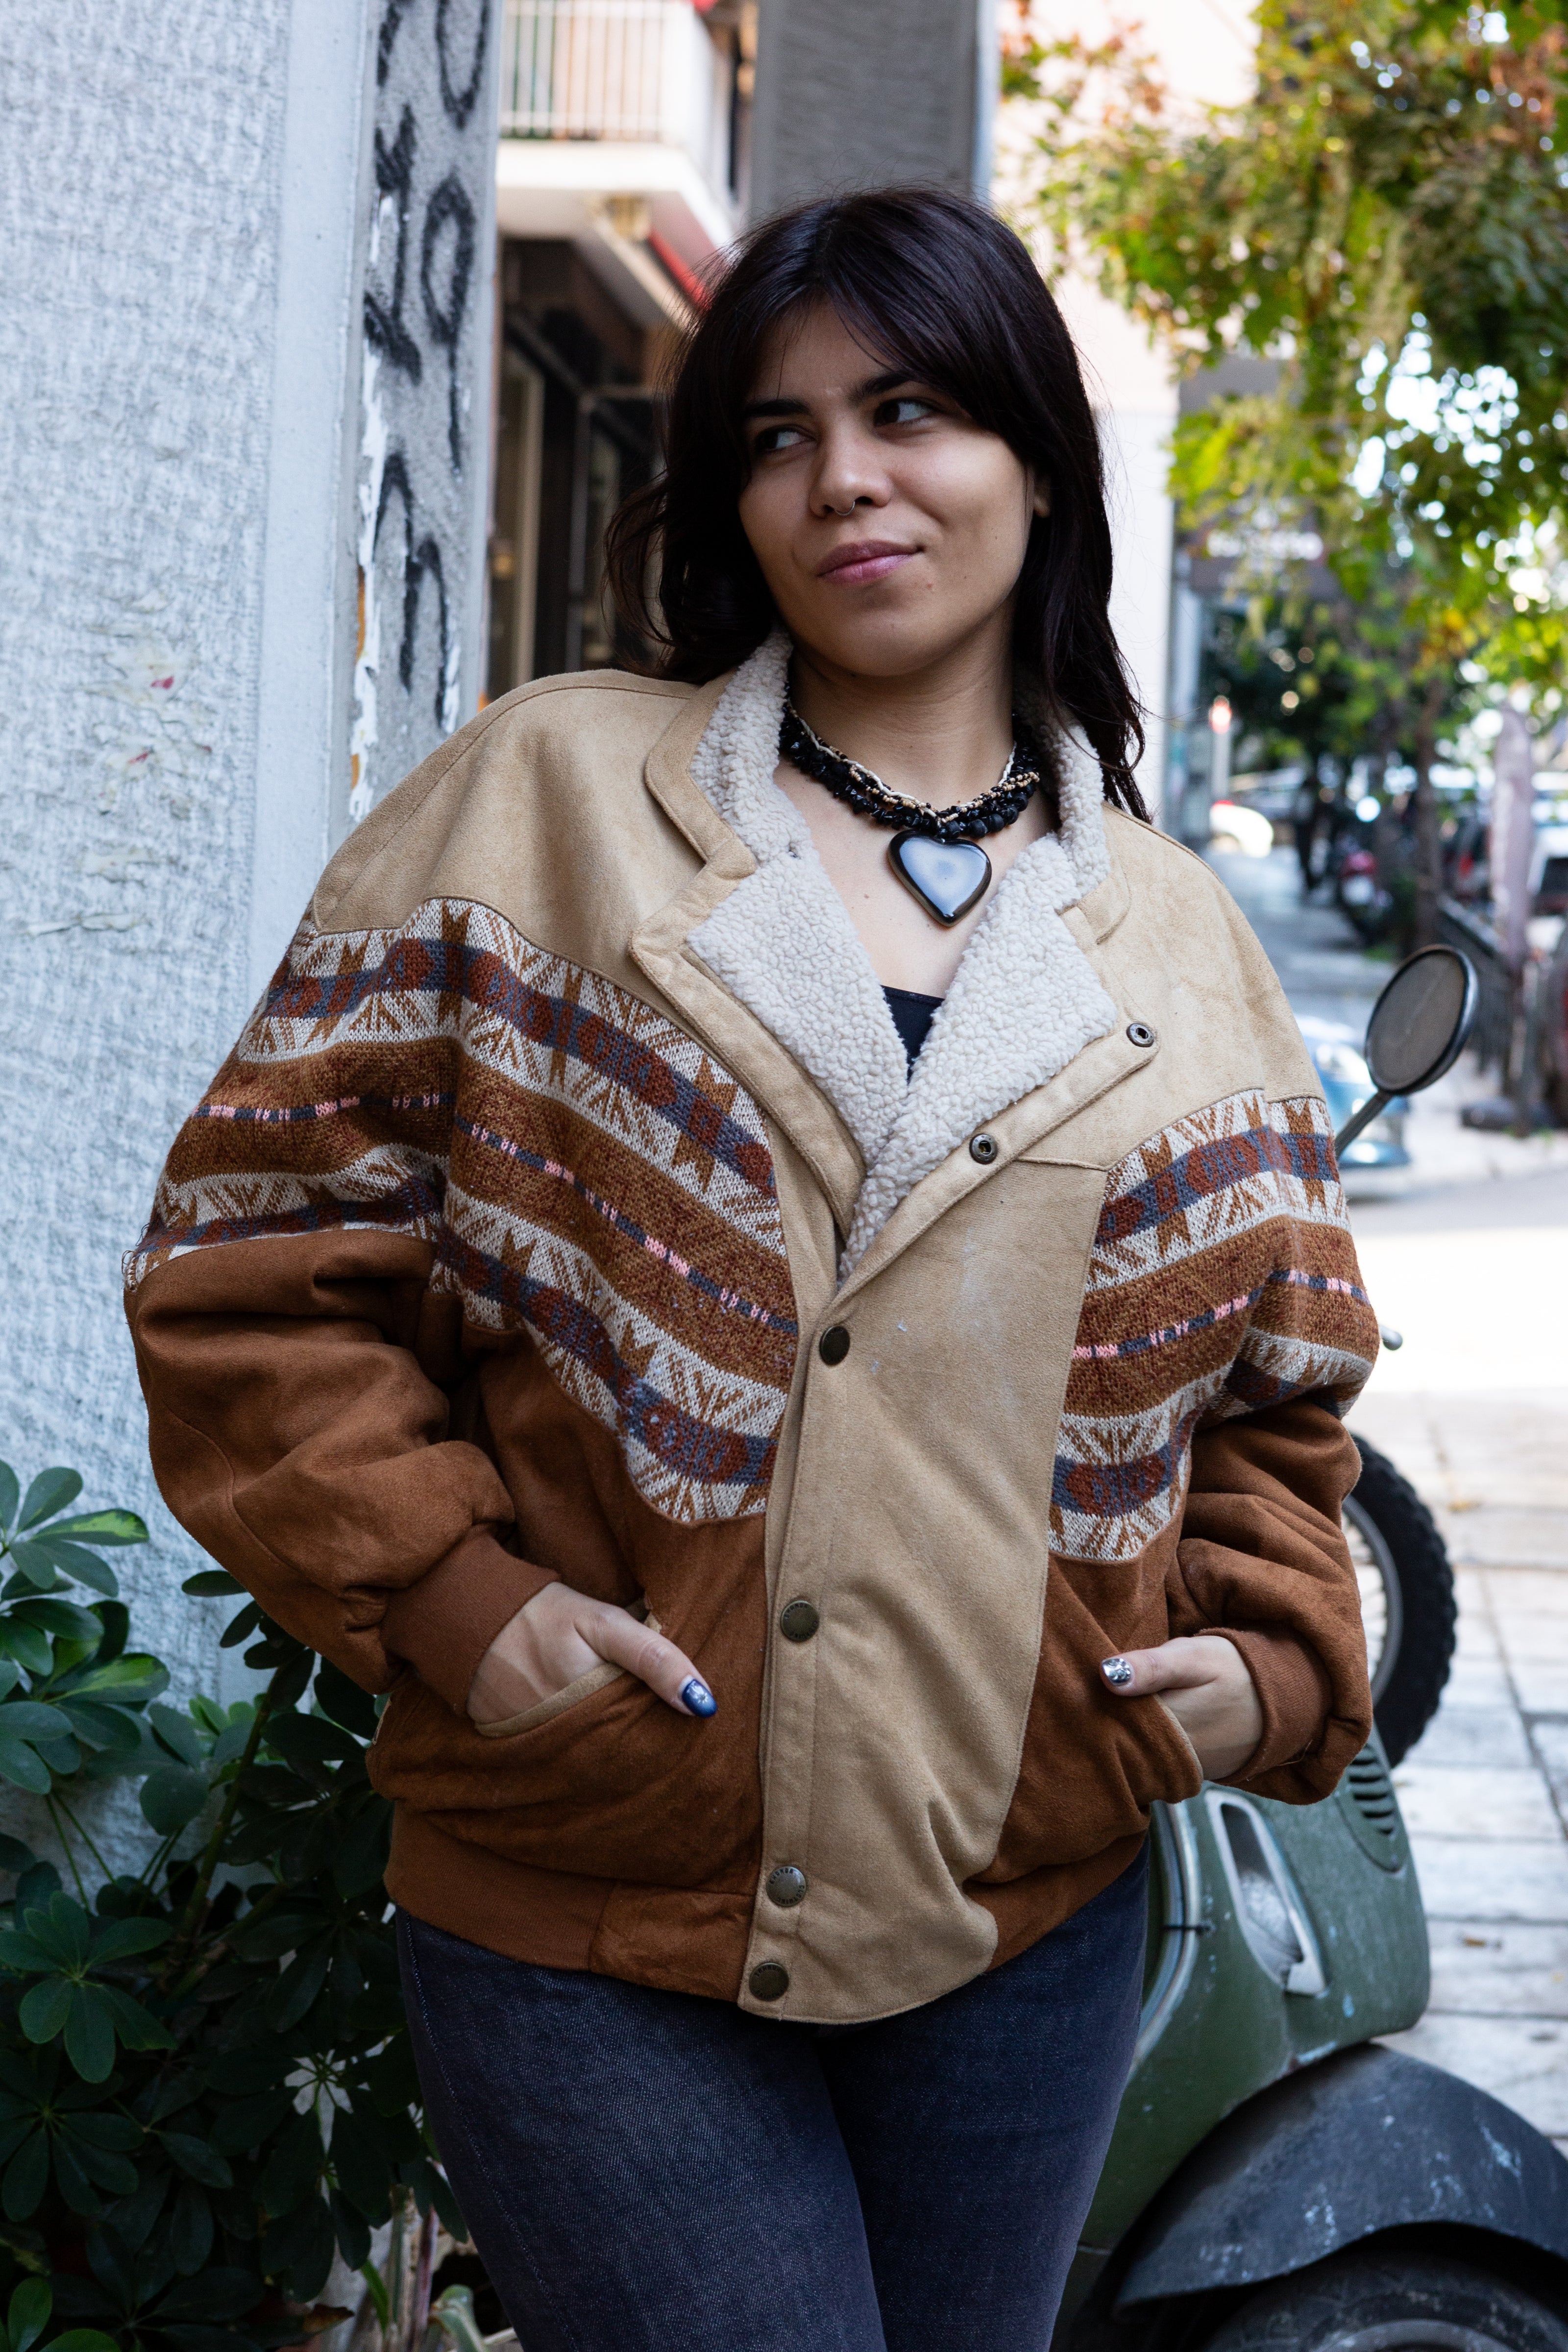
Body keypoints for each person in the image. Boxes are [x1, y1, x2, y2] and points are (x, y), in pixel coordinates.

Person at [125, 189, 1379, 2352]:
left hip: (1028, 1905)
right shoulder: (547, 803)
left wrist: (1265, 1663)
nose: (844, 479)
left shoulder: (1179, 941)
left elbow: (1273, 1401)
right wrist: (456, 1600)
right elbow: (254, 1268)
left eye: (909, 411)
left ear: (1034, 461)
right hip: (592, 1878)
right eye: (779, 434)